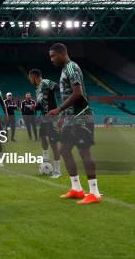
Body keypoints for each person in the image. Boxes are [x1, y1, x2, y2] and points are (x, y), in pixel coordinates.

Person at [48, 43, 100, 204]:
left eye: (53, 56)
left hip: (81, 116)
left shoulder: (71, 67)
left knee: (84, 152)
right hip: (71, 119)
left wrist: (59, 109)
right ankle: (77, 189)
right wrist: (63, 117)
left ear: (62, 53)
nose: (52, 60)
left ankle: (94, 193)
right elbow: (68, 95)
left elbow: (78, 94)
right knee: (64, 150)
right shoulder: (65, 70)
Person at [28, 69, 61, 178]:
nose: (30, 80)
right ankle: (45, 158)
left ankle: (57, 171)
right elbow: (40, 105)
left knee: (53, 143)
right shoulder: (38, 89)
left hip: (52, 118)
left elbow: (58, 88)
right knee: (42, 136)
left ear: (34, 77)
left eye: (30, 78)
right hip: (44, 118)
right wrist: (34, 107)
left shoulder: (46, 82)